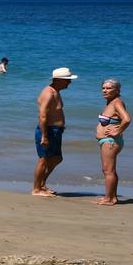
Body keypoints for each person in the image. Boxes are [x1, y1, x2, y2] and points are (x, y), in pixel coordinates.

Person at [33, 66, 76, 197]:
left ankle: (42, 184)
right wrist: (44, 136)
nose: (70, 82)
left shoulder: (55, 91)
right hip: (48, 131)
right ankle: (36, 189)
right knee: (43, 159)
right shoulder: (49, 93)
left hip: (55, 131)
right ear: (58, 80)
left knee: (57, 158)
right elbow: (43, 116)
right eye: (67, 80)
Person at [96, 78, 131, 206]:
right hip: (108, 140)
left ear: (117, 90)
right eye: (103, 88)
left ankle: (108, 199)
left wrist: (117, 131)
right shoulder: (110, 102)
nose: (105, 90)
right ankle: (112, 197)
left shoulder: (117, 102)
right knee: (110, 170)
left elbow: (126, 119)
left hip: (110, 141)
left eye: (109, 88)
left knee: (108, 170)